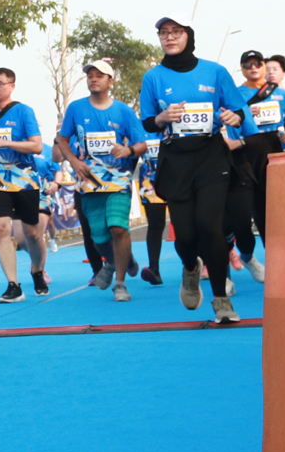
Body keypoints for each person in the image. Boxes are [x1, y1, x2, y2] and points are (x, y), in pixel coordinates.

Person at [138, 16, 248, 324]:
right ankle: (190, 267)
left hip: (211, 155)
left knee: (210, 227)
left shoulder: (215, 71)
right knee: (185, 235)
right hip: (175, 159)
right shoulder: (153, 77)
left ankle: (221, 299)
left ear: (188, 35)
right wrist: (162, 118)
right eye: (163, 32)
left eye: (176, 31)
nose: (169, 37)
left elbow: (238, 110)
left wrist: (234, 118)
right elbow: (147, 122)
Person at [55, 60, 142, 301]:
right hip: (89, 183)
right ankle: (117, 260)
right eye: (90, 75)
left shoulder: (124, 111)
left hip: (118, 180)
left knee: (118, 228)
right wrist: (74, 162)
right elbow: (62, 139)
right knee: (99, 239)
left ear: (110, 81)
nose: (93, 78)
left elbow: (142, 144)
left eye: (100, 75)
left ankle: (120, 284)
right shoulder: (76, 108)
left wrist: (128, 150)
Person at [227, 52, 285, 272]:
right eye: (248, 65)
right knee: (250, 214)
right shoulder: (235, 95)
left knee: (276, 212)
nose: (253, 68)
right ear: (242, 69)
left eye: (258, 64)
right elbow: (231, 125)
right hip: (246, 158)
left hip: (276, 157)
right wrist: (245, 114)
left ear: (264, 67)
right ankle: (251, 255)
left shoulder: (281, 94)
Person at [0, 67, 46, 303]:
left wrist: (5, 142)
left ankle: (37, 269)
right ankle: (13, 285)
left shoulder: (24, 111)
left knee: (32, 234)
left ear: (12, 86)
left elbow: (36, 146)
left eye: (0, 84)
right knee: (2, 229)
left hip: (24, 180)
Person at [135, 129, 166, 285]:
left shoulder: (179, 124)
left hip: (179, 181)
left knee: (185, 226)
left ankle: (192, 265)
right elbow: (132, 155)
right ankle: (154, 268)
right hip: (150, 184)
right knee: (155, 224)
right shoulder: (141, 128)